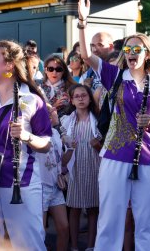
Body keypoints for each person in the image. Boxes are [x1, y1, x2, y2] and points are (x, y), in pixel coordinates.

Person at [78, 0, 150, 251]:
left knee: (149, 221)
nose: (132, 53)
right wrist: (83, 23)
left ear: (147, 54)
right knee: (110, 220)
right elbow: (87, 55)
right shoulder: (114, 76)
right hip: (114, 156)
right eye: (128, 49)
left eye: (137, 49)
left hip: (149, 157)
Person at [0, 40, 52, 250]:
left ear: (9, 65)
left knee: (28, 244)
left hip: (19, 183)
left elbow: (46, 144)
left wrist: (27, 137)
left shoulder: (31, 100)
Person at [61, 84, 102, 251]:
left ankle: (91, 246)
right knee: (75, 208)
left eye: (83, 95)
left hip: (94, 166)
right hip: (76, 167)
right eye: (76, 96)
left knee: (93, 208)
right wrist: (67, 141)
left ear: (89, 98)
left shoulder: (98, 119)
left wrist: (97, 145)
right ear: (71, 100)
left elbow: (104, 149)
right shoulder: (67, 120)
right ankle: (75, 246)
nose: (80, 98)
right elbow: (62, 143)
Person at [38, 104, 69, 251]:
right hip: (41, 187)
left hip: (56, 186)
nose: (50, 114)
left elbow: (61, 161)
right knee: (40, 231)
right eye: (46, 112)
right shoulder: (34, 133)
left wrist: (71, 148)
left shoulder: (56, 134)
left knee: (64, 228)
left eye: (53, 112)